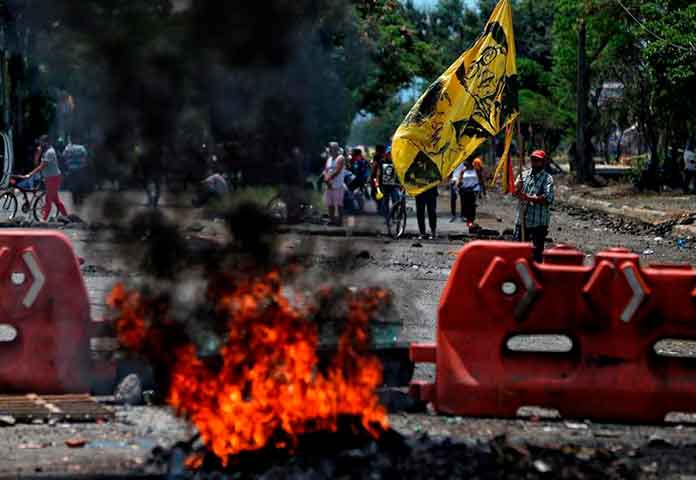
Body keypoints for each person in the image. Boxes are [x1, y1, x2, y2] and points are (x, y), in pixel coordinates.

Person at [514, 150, 554, 263]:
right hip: (522, 221)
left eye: (538, 160)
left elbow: (547, 199)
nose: (534, 162)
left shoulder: (548, 179)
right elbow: (515, 193)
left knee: (537, 254)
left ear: (543, 162)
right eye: (533, 160)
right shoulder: (524, 175)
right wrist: (517, 188)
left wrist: (528, 197)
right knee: (518, 252)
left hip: (538, 222)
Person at [21, 135, 69, 221]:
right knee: (56, 200)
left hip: (53, 178)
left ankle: (44, 219)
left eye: (42, 142)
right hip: (49, 178)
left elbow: (42, 166)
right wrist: (37, 154)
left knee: (48, 199)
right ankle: (66, 216)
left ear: (46, 143)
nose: (40, 144)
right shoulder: (44, 151)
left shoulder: (50, 152)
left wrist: (30, 174)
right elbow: (36, 163)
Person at [458, 155, 486, 229]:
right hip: (465, 190)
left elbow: (481, 180)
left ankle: (471, 221)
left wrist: (483, 190)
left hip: (474, 190)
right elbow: (460, 180)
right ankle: (468, 221)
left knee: (472, 206)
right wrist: (459, 184)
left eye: (466, 163)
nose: (465, 164)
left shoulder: (476, 170)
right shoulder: (463, 171)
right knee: (466, 206)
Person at [374, 146, 401, 222]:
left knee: (395, 201)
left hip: (394, 186)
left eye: (391, 153)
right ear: (386, 154)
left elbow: (399, 173)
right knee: (385, 203)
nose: (390, 155)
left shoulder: (396, 161)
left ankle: (393, 217)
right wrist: (377, 183)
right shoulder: (382, 162)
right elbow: (378, 173)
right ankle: (387, 218)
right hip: (385, 186)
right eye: (389, 153)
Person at [323, 142, 345, 226]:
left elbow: (337, 170)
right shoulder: (329, 159)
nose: (330, 150)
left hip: (338, 185)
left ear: (336, 149)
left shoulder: (340, 158)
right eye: (330, 148)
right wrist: (325, 177)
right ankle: (332, 220)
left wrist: (329, 178)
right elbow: (326, 169)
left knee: (339, 204)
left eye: (331, 148)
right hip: (329, 185)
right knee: (330, 204)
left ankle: (340, 221)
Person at [62, 141, 90, 206]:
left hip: (71, 169)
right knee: (81, 183)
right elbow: (86, 155)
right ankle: (80, 198)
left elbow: (63, 156)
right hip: (80, 168)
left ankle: (74, 199)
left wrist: (69, 161)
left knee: (72, 184)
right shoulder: (82, 148)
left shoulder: (68, 148)